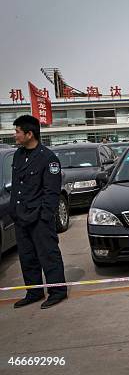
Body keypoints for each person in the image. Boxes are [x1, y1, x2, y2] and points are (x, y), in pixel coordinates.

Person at [9, 115, 67, 309]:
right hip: (21, 217)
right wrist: (14, 211)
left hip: (39, 218)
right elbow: (17, 185)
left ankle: (57, 291)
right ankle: (34, 292)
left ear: (29, 134)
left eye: (17, 131)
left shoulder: (48, 158)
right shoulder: (18, 155)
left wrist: (44, 216)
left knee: (48, 255)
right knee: (27, 257)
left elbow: (51, 192)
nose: (15, 135)